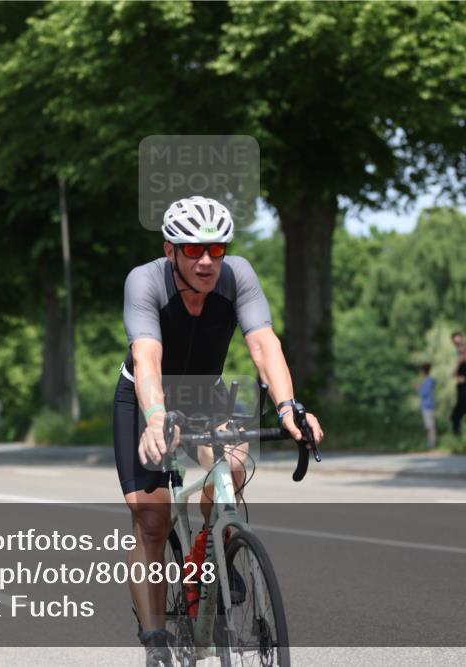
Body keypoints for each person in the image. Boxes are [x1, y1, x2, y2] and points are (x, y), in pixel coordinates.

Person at [115, 195, 324, 664]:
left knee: (234, 464)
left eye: (216, 248)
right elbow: (148, 357)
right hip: (143, 398)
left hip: (203, 393)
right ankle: (156, 641)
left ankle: (208, 552)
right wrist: (154, 420)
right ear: (171, 250)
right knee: (153, 521)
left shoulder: (238, 276)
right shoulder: (144, 281)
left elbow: (263, 344)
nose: (207, 261)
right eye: (193, 251)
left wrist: (289, 407)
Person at [416, 363, 437, 448]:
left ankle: (432, 444)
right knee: (429, 425)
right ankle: (431, 443)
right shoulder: (430, 381)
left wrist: (419, 388)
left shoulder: (427, 381)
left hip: (427, 405)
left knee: (430, 426)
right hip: (429, 405)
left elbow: (424, 393)